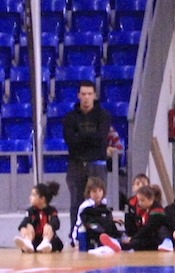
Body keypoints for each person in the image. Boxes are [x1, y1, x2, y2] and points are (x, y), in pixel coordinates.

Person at [63, 84, 114, 218]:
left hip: (97, 164)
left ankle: (100, 228)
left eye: (89, 94)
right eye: (83, 94)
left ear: (95, 96)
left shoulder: (104, 116)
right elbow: (70, 140)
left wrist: (79, 136)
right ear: (78, 96)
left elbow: (101, 138)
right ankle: (76, 230)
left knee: (98, 201)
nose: (86, 97)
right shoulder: (70, 117)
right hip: (76, 164)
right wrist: (91, 138)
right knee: (76, 202)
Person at [77, 177, 124, 255]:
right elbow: (88, 223)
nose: (97, 194)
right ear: (89, 193)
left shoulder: (105, 208)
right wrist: (75, 242)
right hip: (93, 233)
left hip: (107, 233)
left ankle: (114, 242)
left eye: (100, 191)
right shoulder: (86, 208)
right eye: (94, 191)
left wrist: (111, 221)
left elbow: (107, 220)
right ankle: (107, 246)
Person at [14, 181, 64, 253]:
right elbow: (25, 221)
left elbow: (56, 222)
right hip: (35, 239)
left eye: (33, 195)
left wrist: (50, 225)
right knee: (28, 226)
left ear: (42, 199)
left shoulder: (51, 210)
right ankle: (27, 243)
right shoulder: (30, 211)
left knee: (49, 228)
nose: (30, 197)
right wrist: (23, 228)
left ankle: (45, 243)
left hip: (49, 239)